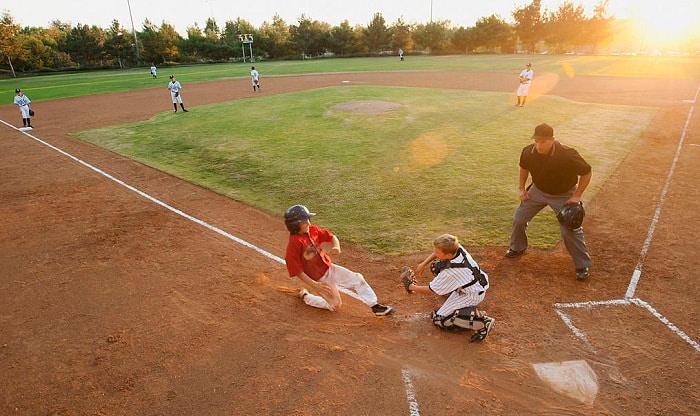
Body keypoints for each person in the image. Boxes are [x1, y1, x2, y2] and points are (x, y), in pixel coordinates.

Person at [505, 123, 593, 280]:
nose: (539, 145)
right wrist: (522, 188)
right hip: (538, 191)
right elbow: (523, 168)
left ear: (552, 139)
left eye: (543, 141)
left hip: (564, 194)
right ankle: (517, 248)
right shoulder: (528, 151)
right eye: (536, 141)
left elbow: (586, 172)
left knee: (570, 229)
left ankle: (581, 265)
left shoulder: (567, 154)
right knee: (519, 219)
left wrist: (577, 195)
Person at [283, 204, 394, 316]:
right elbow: (297, 270)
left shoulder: (312, 230)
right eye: (304, 222)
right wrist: (314, 285)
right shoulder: (294, 243)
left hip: (329, 268)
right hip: (319, 278)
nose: (308, 223)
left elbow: (331, 237)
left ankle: (375, 306)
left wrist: (336, 246)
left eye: (308, 220)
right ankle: (306, 296)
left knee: (357, 278)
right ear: (294, 226)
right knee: (335, 304)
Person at [403, 234, 495, 342]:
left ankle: (483, 322)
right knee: (436, 266)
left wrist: (411, 286)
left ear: (448, 254)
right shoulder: (457, 249)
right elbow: (439, 253)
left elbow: (431, 290)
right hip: (473, 282)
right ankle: (450, 292)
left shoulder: (450, 272)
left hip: (471, 295)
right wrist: (423, 264)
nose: (435, 253)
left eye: (438, 252)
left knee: (440, 319)